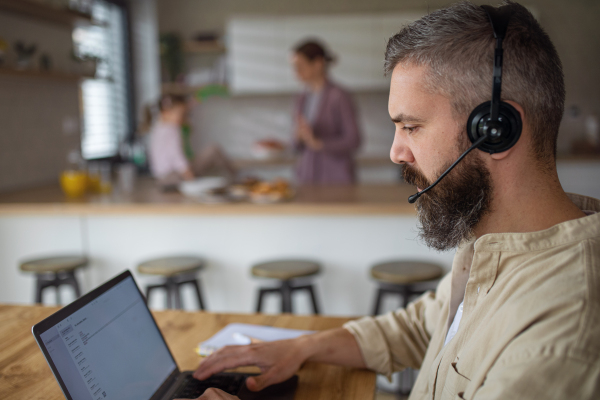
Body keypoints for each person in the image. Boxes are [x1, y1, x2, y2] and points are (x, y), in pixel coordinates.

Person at [178, 2, 600, 399]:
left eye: (411, 127)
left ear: (495, 129)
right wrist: (302, 347)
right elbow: (421, 327)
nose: (396, 152)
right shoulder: (492, 241)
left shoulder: (558, 338)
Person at [291, 40, 361, 185]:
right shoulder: (302, 97)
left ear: (317, 63)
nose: (296, 72)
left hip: (336, 178)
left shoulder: (339, 96)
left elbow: (354, 140)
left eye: (300, 66)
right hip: (307, 177)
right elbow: (296, 146)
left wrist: (318, 143)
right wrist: (299, 136)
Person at [148, 94, 237, 186]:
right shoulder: (172, 129)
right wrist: (187, 172)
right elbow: (175, 154)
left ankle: (230, 176)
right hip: (174, 175)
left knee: (205, 158)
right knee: (213, 150)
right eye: (180, 114)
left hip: (161, 178)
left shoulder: (158, 127)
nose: (183, 118)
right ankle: (235, 177)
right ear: (165, 113)